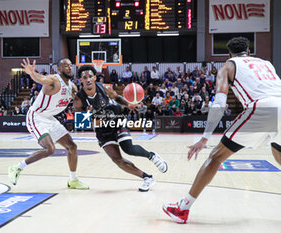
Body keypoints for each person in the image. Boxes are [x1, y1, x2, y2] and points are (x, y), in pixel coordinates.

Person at [162, 37, 281, 223]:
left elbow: (219, 104)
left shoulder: (228, 66)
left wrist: (204, 138)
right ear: (249, 52)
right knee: (277, 152)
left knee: (216, 157)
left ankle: (182, 209)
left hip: (264, 107)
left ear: (229, 55)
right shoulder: (266, 63)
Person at [74, 65, 167, 192]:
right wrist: (93, 119)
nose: (88, 79)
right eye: (85, 78)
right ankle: (148, 178)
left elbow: (117, 98)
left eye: (90, 76)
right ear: (80, 80)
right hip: (102, 130)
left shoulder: (105, 88)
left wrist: (128, 104)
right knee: (117, 160)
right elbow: (81, 123)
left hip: (117, 120)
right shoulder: (79, 99)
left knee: (128, 148)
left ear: (95, 77)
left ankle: (152, 156)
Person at [8, 58, 89, 190]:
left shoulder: (72, 87)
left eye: (70, 66)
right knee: (50, 149)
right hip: (36, 116)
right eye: (65, 66)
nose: (69, 68)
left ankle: (73, 180)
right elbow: (41, 79)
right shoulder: (54, 80)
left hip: (50, 118)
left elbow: (79, 104)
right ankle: (17, 167)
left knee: (72, 147)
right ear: (59, 69)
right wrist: (32, 73)